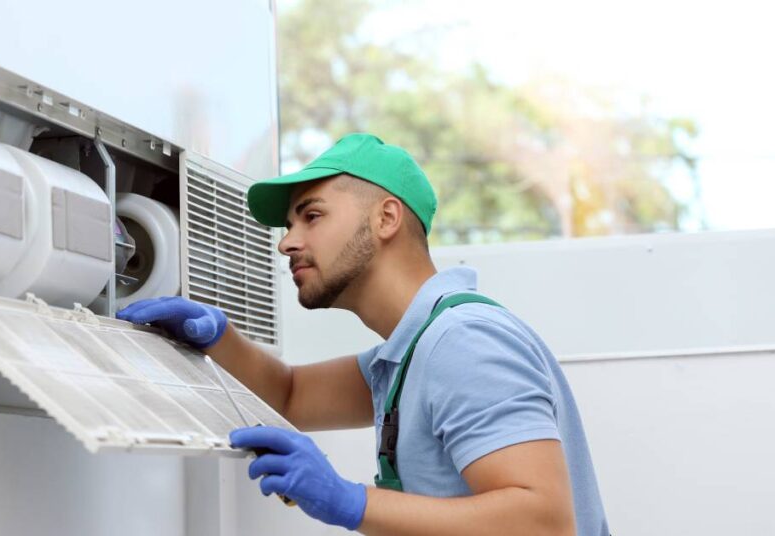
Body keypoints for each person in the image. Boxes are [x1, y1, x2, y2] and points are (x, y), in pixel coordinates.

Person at [117, 134, 609, 535]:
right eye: (289, 226)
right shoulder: (407, 356)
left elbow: (542, 522)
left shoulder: (462, 342)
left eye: (312, 215)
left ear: (386, 218)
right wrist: (218, 336)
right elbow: (289, 395)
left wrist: (349, 500)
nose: (287, 242)